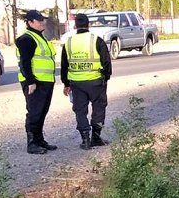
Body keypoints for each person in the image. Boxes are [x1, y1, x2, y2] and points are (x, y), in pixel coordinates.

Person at [61, 13, 112, 150]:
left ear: (75, 26)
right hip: (96, 81)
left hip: (76, 83)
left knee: (80, 111)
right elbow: (106, 62)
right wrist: (105, 78)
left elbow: (64, 65)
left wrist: (66, 84)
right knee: (99, 109)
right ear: (88, 25)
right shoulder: (96, 40)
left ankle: (85, 140)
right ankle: (96, 137)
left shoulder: (69, 42)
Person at [16, 10, 57, 154]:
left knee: (42, 112)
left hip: (45, 81)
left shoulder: (40, 38)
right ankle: (32, 143)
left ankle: (39, 140)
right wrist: (31, 82)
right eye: (39, 20)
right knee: (34, 112)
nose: (42, 22)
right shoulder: (26, 39)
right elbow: (25, 63)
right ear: (30, 22)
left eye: (42, 20)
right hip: (35, 82)